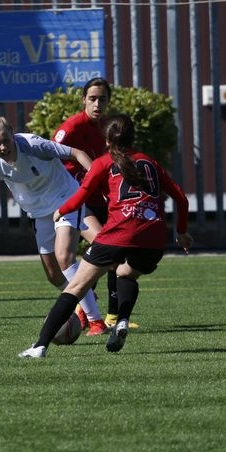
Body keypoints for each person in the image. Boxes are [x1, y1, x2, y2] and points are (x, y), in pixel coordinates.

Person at [19, 113, 193, 358]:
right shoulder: (150, 162)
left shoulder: (103, 162)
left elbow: (81, 195)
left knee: (76, 287)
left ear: (107, 140)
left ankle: (39, 347)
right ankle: (121, 321)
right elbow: (181, 199)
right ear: (133, 136)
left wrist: (62, 210)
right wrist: (182, 233)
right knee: (125, 272)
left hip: (119, 233)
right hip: (153, 239)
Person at [0, 116, 107, 333]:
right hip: (39, 213)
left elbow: (76, 153)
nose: (2, 147)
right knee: (54, 275)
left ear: (12, 133)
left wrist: (100, 181)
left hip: (65, 199)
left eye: (5, 140)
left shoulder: (33, 145)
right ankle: (83, 294)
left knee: (65, 257)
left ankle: (96, 321)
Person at [52, 77, 130, 331]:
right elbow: (52, 160)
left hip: (102, 201)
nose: (97, 104)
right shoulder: (70, 128)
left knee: (111, 254)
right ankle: (86, 311)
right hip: (76, 201)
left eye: (102, 99)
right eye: (93, 98)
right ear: (83, 99)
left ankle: (106, 316)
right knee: (98, 253)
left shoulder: (109, 127)